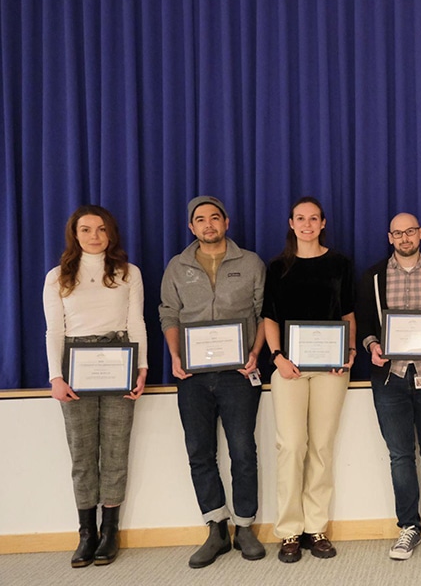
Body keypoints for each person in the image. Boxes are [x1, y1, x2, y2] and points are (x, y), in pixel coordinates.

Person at [159, 196, 267, 568]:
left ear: (226, 222)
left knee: (242, 451)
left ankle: (245, 525)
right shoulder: (177, 266)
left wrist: (254, 354)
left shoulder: (250, 262)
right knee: (200, 452)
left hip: (239, 373)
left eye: (214, 218)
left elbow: (262, 312)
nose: (208, 225)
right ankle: (216, 526)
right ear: (192, 228)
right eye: (200, 220)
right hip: (192, 375)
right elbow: (169, 313)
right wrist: (175, 356)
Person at [43, 205, 148, 568]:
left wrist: (142, 368)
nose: (93, 236)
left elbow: (136, 322)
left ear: (110, 234)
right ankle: (86, 534)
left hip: (120, 360)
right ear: (74, 234)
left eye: (101, 229)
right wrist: (55, 376)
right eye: (85, 229)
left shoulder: (127, 272)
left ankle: (110, 532)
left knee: (116, 449)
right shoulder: (57, 277)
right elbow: (54, 330)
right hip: (75, 365)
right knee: (83, 453)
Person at [356, 212, 421, 560]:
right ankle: (409, 527)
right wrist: (372, 346)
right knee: (400, 456)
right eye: (397, 233)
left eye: (410, 231)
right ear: (390, 237)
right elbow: (366, 322)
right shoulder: (373, 276)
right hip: (390, 377)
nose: (404, 238)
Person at [262, 197, 355, 563]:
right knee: (291, 447)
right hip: (289, 369)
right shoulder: (277, 267)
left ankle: (316, 528)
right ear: (291, 223)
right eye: (300, 218)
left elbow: (348, 313)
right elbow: (269, 317)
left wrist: (347, 353)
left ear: (322, 223)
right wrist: (277, 357)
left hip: (331, 369)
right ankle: (289, 532)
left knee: (321, 447)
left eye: (313, 218)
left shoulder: (340, 264)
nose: (306, 224)